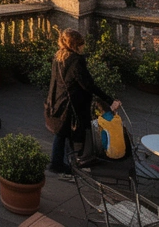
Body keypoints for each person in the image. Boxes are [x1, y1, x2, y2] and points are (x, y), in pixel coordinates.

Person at [45, 29, 121, 178]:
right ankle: (64, 163)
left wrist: (50, 102)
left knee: (62, 133)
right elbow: (88, 85)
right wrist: (110, 100)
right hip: (72, 105)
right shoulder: (76, 60)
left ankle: (60, 162)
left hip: (59, 102)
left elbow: (54, 82)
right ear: (76, 45)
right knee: (70, 133)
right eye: (81, 44)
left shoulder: (58, 56)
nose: (83, 47)